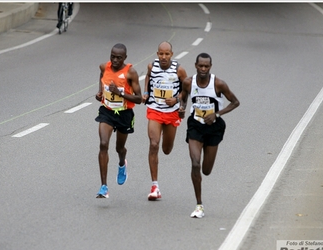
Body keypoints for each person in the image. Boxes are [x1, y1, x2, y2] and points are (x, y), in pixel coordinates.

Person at [178, 52, 240, 218]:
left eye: (206, 66)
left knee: (206, 170)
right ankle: (199, 205)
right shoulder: (188, 82)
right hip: (195, 125)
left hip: (214, 128)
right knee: (195, 163)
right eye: (201, 66)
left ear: (210, 67)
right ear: (196, 66)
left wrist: (217, 114)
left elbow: (235, 102)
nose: (203, 68)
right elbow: (183, 98)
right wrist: (182, 108)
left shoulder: (218, 84)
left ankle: (206, 156)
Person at [95, 43, 142, 198]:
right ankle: (104, 187)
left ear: (125, 58)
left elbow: (139, 98)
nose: (115, 60)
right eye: (112, 56)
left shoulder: (131, 73)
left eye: (119, 58)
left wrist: (119, 94)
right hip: (107, 112)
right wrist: (100, 92)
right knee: (103, 144)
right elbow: (102, 77)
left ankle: (122, 163)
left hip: (124, 114)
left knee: (119, 148)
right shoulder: (104, 67)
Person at [142, 41, 188, 200]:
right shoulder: (151, 66)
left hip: (171, 113)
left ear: (171, 55)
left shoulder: (179, 70)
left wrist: (177, 100)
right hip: (155, 110)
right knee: (153, 144)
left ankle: (166, 140)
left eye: (166, 54)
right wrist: (146, 92)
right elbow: (148, 77)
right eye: (161, 54)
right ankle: (155, 186)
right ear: (157, 54)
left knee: (166, 149)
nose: (163, 57)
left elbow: (186, 89)